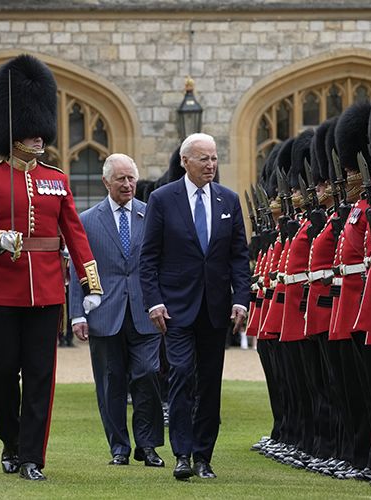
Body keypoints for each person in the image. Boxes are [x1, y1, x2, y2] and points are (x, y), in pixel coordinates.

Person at [0, 54, 102, 481]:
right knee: (5, 372)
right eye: (32, 132)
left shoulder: (56, 179)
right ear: (15, 134)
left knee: (42, 375)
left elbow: (75, 234)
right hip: (3, 289)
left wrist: (89, 282)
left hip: (46, 291)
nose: (40, 138)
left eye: (42, 131)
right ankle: (9, 442)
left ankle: (30, 457)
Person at [140, 132, 251, 480]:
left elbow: (239, 258)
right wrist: (154, 302)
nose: (211, 165)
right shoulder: (162, 199)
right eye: (204, 159)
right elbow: (148, 258)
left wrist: (240, 300)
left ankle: (204, 457)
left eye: (215, 158)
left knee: (209, 384)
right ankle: (182, 455)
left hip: (215, 308)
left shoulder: (228, 201)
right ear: (185, 161)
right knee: (181, 375)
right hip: (175, 308)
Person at [69, 153, 165, 468]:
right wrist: (77, 314)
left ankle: (148, 446)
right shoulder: (86, 221)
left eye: (131, 179)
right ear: (106, 181)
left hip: (145, 311)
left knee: (148, 375)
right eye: (121, 179)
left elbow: (161, 263)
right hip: (104, 314)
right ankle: (119, 448)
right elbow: (77, 270)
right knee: (110, 382)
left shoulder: (151, 215)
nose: (127, 185)